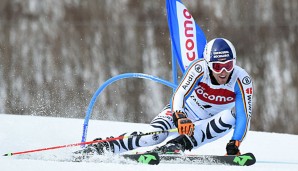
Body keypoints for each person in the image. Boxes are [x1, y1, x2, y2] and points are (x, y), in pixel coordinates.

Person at [78, 38, 253, 157]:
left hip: (210, 121)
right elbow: (180, 93)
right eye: (217, 66)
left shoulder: (241, 79)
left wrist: (235, 143)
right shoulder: (200, 69)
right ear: (208, 64)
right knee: (153, 136)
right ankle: (107, 145)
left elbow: (244, 114)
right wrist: (180, 116)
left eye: (228, 65)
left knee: (233, 115)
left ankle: (179, 144)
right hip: (184, 111)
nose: (223, 72)